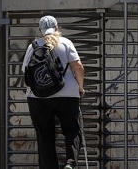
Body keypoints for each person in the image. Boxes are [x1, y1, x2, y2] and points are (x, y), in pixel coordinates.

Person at [22, 15, 85, 169]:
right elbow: (78, 67)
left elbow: (25, 71)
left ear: (40, 30)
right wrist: (80, 88)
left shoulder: (33, 46)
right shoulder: (66, 43)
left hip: (38, 97)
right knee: (71, 129)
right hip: (68, 94)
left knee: (44, 135)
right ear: (57, 27)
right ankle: (70, 163)